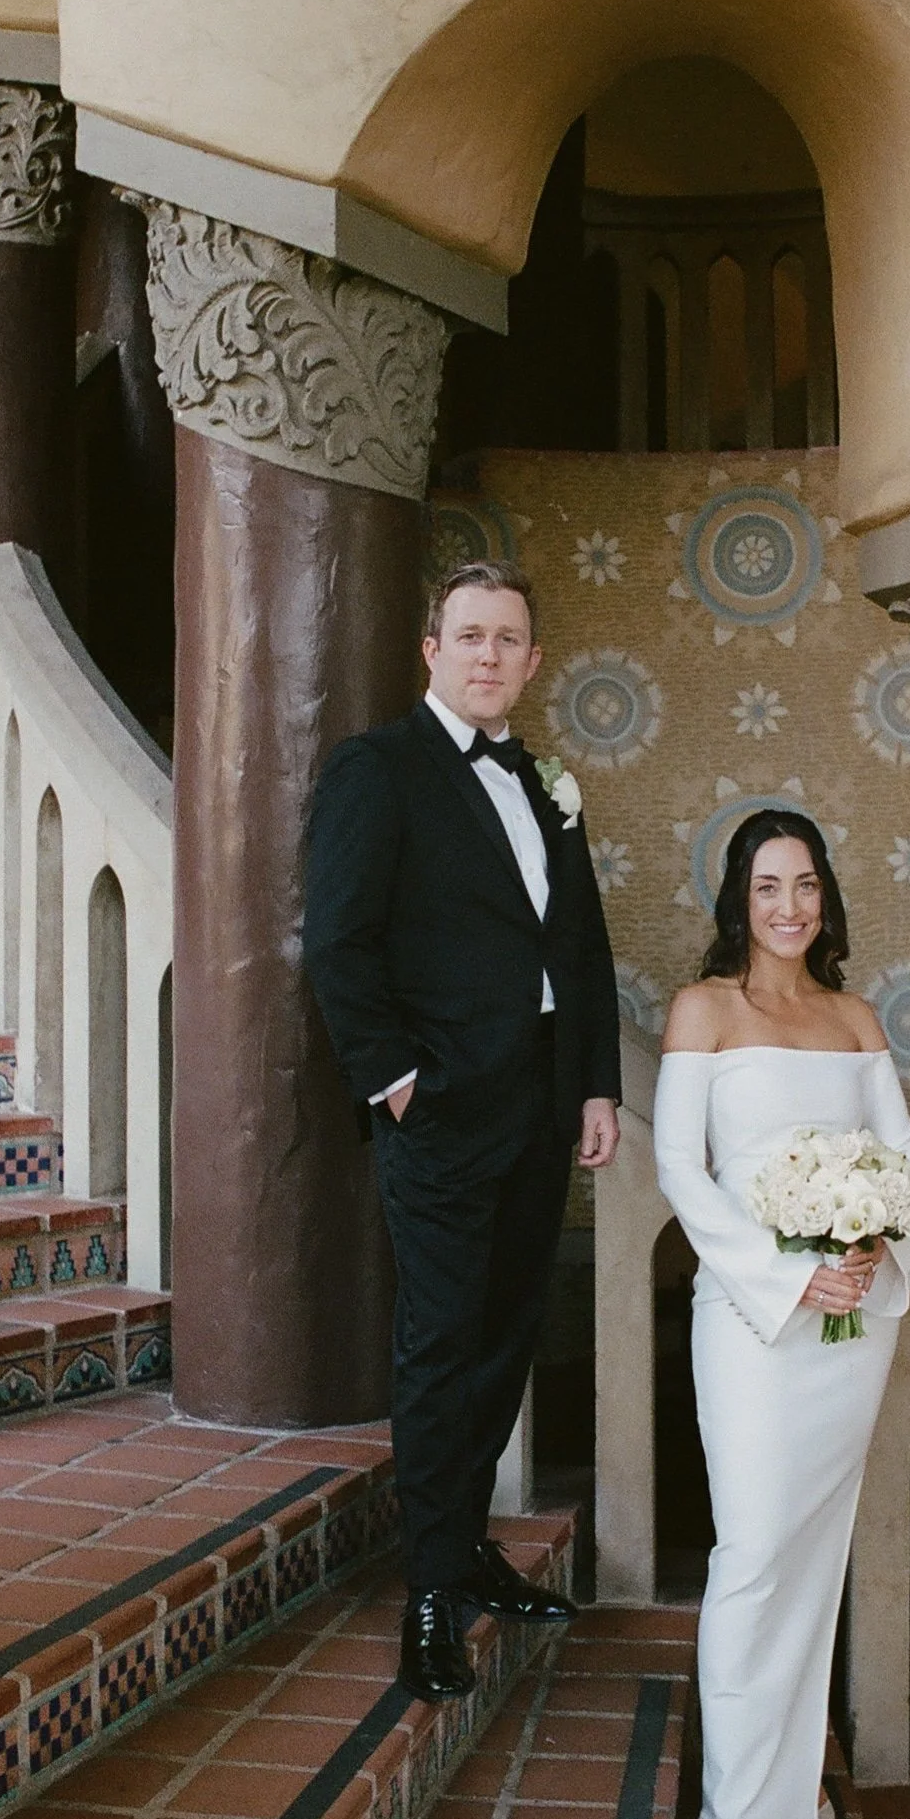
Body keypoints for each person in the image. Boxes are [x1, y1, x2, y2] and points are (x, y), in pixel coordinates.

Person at [303, 561, 622, 1702]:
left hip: (540, 1103)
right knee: (440, 1342)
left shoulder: (545, 784)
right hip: (439, 1107)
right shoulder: (378, 772)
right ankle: (431, 1585)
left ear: (532, 663)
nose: (489, 655)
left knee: (504, 1331)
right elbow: (338, 940)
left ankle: (470, 1544)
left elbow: (576, 945)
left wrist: (593, 1084)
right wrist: (395, 1080)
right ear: (431, 649)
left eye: (509, 640)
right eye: (470, 634)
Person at [654, 809, 910, 1819]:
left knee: (818, 1549)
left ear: (827, 896)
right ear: (739, 898)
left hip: (850, 1326)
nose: (789, 906)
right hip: (756, 1318)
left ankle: (787, 1774)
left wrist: (867, 1239)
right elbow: (681, 1167)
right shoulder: (704, 1011)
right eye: (768, 886)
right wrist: (784, 1273)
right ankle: (728, 1807)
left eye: (806, 884)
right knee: (757, 1547)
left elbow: (903, 1156)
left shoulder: (856, 1018)